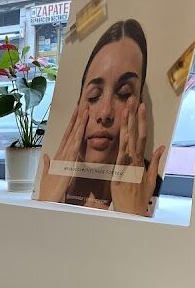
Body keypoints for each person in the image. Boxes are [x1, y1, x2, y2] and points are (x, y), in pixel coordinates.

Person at [38, 19, 165, 217]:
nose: (105, 113)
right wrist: (46, 205)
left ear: (140, 105)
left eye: (124, 93)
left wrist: (132, 215)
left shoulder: (151, 186)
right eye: (94, 96)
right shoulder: (52, 179)